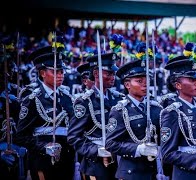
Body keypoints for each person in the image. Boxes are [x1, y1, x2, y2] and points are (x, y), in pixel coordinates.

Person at [16, 49, 75, 180]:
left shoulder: (67, 98)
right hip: (43, 160)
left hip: (66, 160)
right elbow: (20, 136)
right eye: (55, 72)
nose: (60, 75)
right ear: (42, 73)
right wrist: (43, 147)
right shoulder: (32, 99)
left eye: (61, 72)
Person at [160, 55, 196, 180]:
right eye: (191, 80)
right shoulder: (172, 112)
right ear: (178, 85)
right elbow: (167, 154)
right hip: (188, 174)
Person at [67, 52, 124, 180]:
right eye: (108, 73)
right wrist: (96, 150)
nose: (113, 77)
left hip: (118, 162)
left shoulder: (118, 99)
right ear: (96, 73)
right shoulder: (85, 101)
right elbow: (73, 137)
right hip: (95, 165)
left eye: (113, 73)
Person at [105, 59, 163, 180]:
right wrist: (138, 149)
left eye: (147, 80)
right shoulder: (120, 110)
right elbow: (110, 144)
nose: (145, 84)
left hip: (154, 171)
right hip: (132, 173)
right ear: (127, 85)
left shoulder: (155, 108)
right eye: (139, 81)